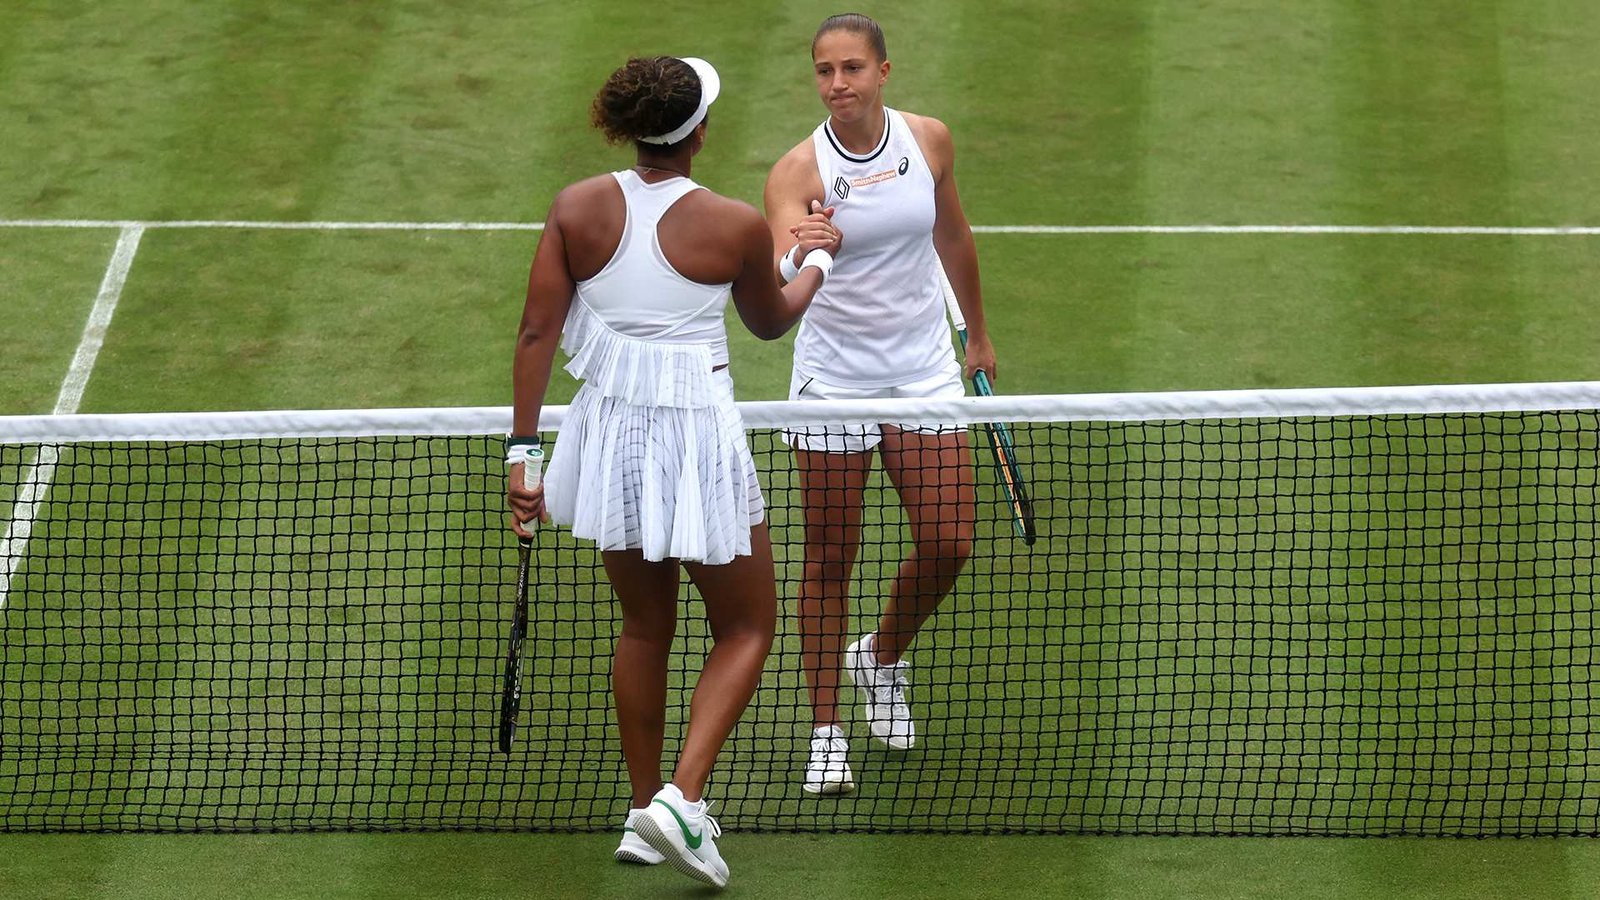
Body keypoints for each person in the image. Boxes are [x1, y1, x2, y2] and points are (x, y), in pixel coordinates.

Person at [507, 55, 839, 888]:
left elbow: (536, 336)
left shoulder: (575, 208)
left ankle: (643, 809)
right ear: (696, 132)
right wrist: (817, 262)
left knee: (644, 627)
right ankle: (681, 802)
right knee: (748, 626)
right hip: (696, 443)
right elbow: (771, 322)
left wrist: (524, 456)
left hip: (610, 439)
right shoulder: (731, 224)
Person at [763, 13, 997, 795]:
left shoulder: (927, 140)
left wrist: (979, 339)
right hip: (832, 381)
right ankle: (827, 733)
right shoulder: (796, 172)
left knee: (950, 541)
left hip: (924, 371)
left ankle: (881, 657)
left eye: (852, 69)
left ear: (884, 73)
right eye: (825, 71)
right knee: (830, 558)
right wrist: (802, 247)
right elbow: (773, 282)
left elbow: (953, 236)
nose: (838, 85)